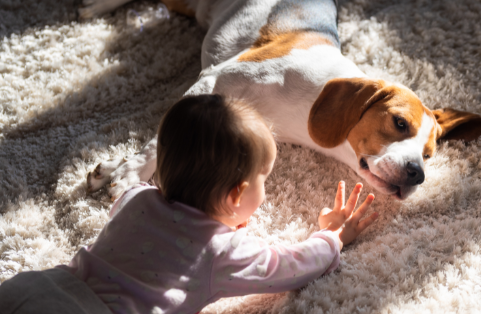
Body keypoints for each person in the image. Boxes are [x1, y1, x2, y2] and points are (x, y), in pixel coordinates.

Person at [0, 95, 378, 314]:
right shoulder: (222, 251)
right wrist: (332, 237)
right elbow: (289, 266)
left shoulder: (135, 197)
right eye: (264, 179)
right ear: (235, 195)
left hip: (35, 289)